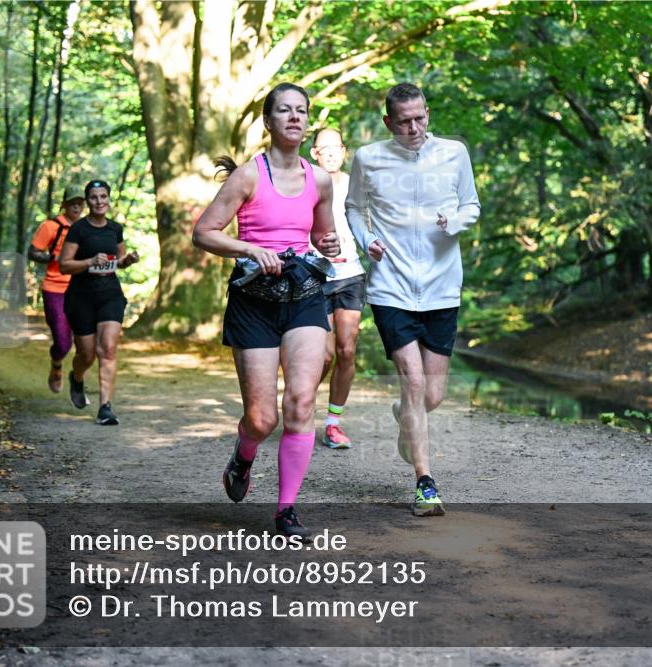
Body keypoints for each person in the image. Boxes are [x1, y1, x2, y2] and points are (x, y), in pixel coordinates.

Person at [192, 83, 340, 538]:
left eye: (301, 111)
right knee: (263, 419)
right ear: (268, 121)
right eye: (284, 111)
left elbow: (322, 236)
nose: (294, 118)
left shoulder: (320, 179)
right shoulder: (249, 176)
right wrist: (252, 250)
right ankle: (244, 454)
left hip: (303, 298)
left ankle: (286, 510)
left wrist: (327, 243)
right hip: (253, 303)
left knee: (300, 403)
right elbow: (204, 233)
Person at [345, 83, 480, 517]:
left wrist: (454, 221)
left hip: (442, 286)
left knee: (432, 395)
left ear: (428, 113)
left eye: (420, 117)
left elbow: (472, 206)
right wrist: (367, 241)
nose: (414, 127)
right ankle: (425, 482)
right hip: (391, 286)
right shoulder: (369, 159)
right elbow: (352, 208)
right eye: (404, 121)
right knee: (416, 382)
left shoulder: (454, 152)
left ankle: (405, 414)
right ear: (388, 122)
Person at [58, 179, 140, 426]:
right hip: (81, 297)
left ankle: (105, 407)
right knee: (86, 354)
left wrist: (129, 260)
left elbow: (119, 260)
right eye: (94, 197)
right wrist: (90, 262)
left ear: (108, 199)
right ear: (88, 201)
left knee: (108, 349)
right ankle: (77, 378)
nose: (99, 202)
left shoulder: (115, 229)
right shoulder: (79, 229)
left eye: (103, 197)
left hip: (110, 295)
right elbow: (64, 265)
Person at [309, 128, 365, 450]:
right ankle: (300, 406)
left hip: (350, 274)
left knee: (346, 350)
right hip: (315, 276)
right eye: (323, 148)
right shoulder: (304, 183)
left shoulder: (357, 186)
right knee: (324, 356)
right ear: (314, 153)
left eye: (335, 147)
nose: (330, 153)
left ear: (344, 151)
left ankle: (332, 424)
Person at [28, 188, 85, 393]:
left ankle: (78, 380)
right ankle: (56, 366)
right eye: (72, 203)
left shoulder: (87, 227)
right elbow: (33, 252)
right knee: (62, 341)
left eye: (80, 202)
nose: (77, 206)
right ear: (64, 205)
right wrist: (52, 258)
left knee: (86, 341)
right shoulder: (51, 226)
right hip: (55, 288)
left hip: (81, 288)